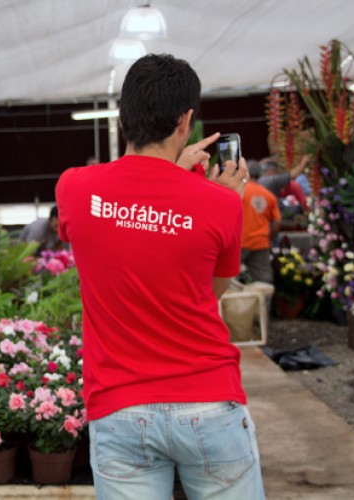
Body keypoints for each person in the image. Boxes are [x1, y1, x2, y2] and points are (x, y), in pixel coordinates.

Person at [56, 54, 264, 499]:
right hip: (209, 401)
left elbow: (133, 210)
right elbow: (209, 291)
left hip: (119, 408)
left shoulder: (74, 188)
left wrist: (172, 175)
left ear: (122, 117)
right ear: (185, 120)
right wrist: (210, 192)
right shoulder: (222, 203)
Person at [242, 160, 282, 283]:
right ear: (260, 175)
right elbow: (277, 222)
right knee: (263, 281)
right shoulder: (268, 195)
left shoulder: (238, 191)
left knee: (228, 279)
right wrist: (269, 237)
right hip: (261, 242)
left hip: (239, 242)